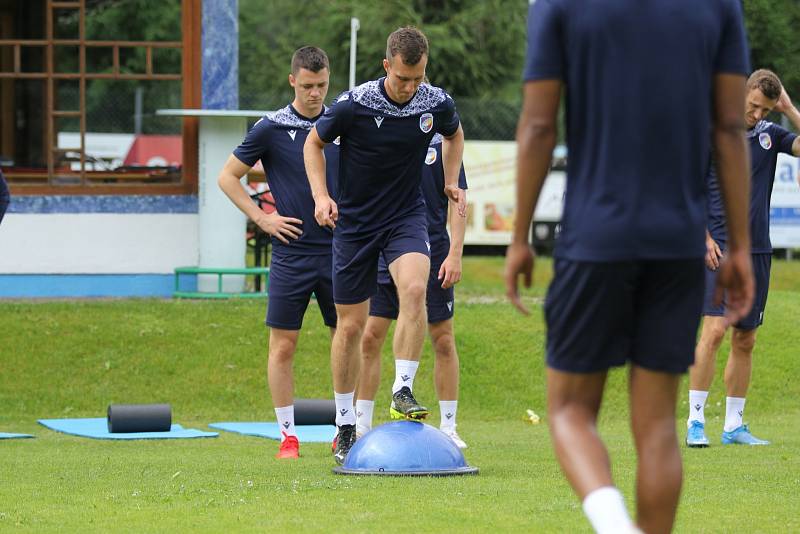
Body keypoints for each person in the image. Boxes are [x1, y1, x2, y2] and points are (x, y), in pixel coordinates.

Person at [505, 2, 753, 533]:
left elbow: (539, 126)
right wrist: (739, 246)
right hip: (679, 243)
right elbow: (731, 129)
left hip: (595, 238)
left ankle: (616, 526)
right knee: (660, 424)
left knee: (570, 411)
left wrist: (519, 236)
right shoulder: (717, 5)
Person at [304, 26, 466, 464]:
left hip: (405, 216)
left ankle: (403, 389)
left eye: (418, 78)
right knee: (352, 328)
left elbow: (454, 134)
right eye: (403, 79)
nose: (411, 88)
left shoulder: (435, 101)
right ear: (386, 66)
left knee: (415, 289)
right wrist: (321, 195)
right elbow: (313, 143)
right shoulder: (354, 104)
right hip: (356, 224)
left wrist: (451, 181)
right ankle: (344, 425)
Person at [217, 46, 338, 460]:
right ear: (292, 81)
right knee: (283, 346)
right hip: (291, 254)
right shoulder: (271, 127)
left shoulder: (342, 123)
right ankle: (288, 437)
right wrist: (263, 219)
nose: (314, 94)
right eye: (307, 86)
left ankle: (348, 429)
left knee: (348, 339)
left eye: (321, 86)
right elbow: (227, 177)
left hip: (342, 250)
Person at [687, 69, 800, 448]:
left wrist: (789, 109)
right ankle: (695, 421)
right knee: (714, 331)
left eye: (766, 110)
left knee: (746, 339)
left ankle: (734, 426)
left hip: (758, 251)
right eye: (754, 106)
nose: (757, 115)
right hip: (719, 246)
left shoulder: (771, 136)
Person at [356, 133, 468, 448]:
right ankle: (360, 426)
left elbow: (458, 197)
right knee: (369, 336)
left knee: (444, 339)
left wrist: (455, 252)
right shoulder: (382, 134)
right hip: (386, 246)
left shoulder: (443, 142)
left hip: (434, 249)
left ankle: (449, 427)